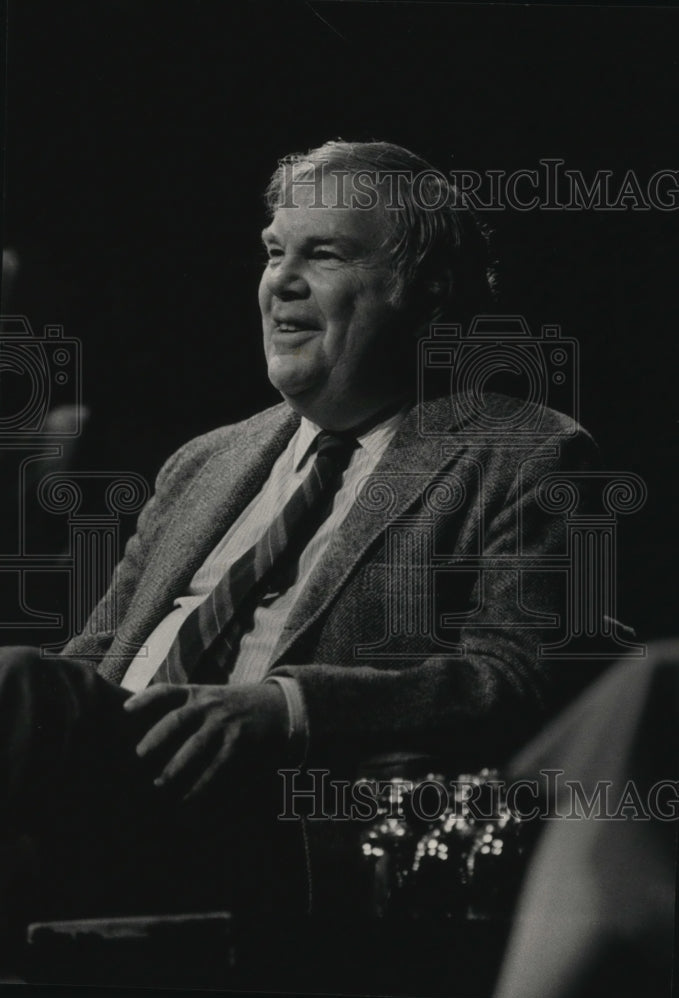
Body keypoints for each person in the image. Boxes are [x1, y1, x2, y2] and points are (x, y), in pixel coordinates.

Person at [0, 140, 600, 928]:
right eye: (274, 251)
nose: (280, 281)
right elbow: (89, 662)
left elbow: (514, 679)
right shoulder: (204, 462)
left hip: (273, 813)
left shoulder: (523, 451)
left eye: (323, 254)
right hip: (98, 781)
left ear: (424, 288)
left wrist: (286, 711)